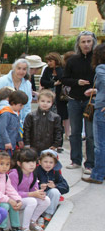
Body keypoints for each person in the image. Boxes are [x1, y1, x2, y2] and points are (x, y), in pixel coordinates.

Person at [62, 31, 97, 173]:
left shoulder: (98, 60)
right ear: (79, 44)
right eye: (83, 42)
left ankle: (89, 163)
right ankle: (75, 160)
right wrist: (77, 82)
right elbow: (64, 79)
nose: (86, 44)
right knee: (74, 132)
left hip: (92, 101)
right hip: (75, 100)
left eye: (89, 41)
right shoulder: (72, 60)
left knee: (90, 134)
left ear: (93, 42)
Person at [9, 148, 51, 231]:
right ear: (19, 163)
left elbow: (34, 189)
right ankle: (25, 228)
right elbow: (13, 193)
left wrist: (39, 193)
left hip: (26, 198)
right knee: (32, 201)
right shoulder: (14, 174)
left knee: (46, 200)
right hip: (15, 200)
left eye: (33, 161)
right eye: (27, 162)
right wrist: (32, 194)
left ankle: (32, 220)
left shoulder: (32, 173)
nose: (32, 164)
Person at [0, 151, 26, 231]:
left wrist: (18, 199)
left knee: (13, 204)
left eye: (7, 164)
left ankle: (15, 227)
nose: (5, 167)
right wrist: (8, 199)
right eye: (1, 164)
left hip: (2, 199)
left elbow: (10, 189)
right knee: (6, 205)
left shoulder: (5, 176)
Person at [83, 42, 105, 184]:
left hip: (101, 109)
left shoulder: (101, 67)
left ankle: (97, 175)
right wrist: (96, 91)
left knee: (100, 144)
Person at [0, 58, 33, 122]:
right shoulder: (0, 81)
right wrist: (5, 109)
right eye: (19, 68)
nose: (21, 72)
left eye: (24, 69)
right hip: (2, 119)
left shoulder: (28, 84)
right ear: (14, 68)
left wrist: (26, 122)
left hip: (20, 122)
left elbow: (27, 106)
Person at [23, 89, 63, 154]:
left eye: (48, 102)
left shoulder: (56, 117)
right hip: (33, 146)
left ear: (52, 103)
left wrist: (55, 145)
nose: (45, 103)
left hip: (49, 147)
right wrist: (27, 143)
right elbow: (26, 130)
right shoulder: (31, 116)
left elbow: (58, 132)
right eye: (42, 101)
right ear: (38, 101)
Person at [40, 52, 69, 141]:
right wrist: (53, 83)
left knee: (58, 119)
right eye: (48, 61)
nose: (49, 63)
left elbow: (63, 79)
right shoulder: (47, 70)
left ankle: (58, 141)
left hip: (59, 98)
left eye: (51, 61)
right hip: (48, 96)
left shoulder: (61, 69)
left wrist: (57, 69)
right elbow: (43, 81)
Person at [36, 149, 69, 226]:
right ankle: (39, 215)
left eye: (51, 162)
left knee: (55, 191)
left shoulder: (55, 172)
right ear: (40, 162)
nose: (48, 164)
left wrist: (55, 186)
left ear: (54, 164)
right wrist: (39, 186)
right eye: (45, 162)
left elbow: (66, 187)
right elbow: (28, 185)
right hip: (38, 195)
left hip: (49, 196)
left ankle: (48, 214)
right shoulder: (36, 171)